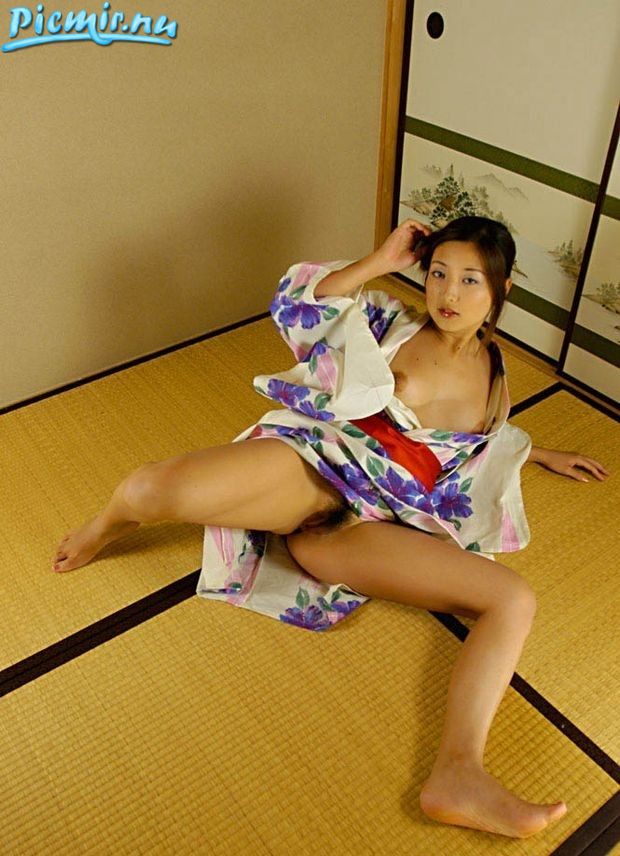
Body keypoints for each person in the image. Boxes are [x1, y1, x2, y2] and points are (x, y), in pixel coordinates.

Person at [52, 216, 609, 840]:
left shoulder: (496, 376)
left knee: (513, 598)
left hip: (360, 528)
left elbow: (482, 445)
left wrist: (541, 453)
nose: (448, 294)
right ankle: (104, 525)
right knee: (153, 489)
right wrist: (380, 261)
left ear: (501, 290)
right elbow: (298, 304)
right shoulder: (390, 322)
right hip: (315, 468)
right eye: (438, 274)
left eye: (470, 280)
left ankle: (458, 773)